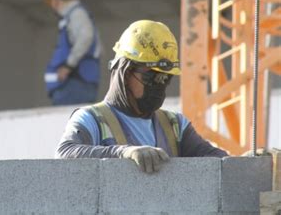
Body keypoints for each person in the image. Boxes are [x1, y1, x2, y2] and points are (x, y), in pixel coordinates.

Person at [56, 20, 228, 173]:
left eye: (165, 78)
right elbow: (64, 154)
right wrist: (123, 152)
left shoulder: (176, 126)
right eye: (151, 77)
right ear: (125, 72)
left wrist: (241, 162)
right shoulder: (91, 120)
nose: (158, 86)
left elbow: (216, 159)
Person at [43, 0, 101, 105]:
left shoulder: (76, 14)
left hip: (75, 86)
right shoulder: (72, 16)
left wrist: (68, 65)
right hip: (72, 87)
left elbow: (86, 36)